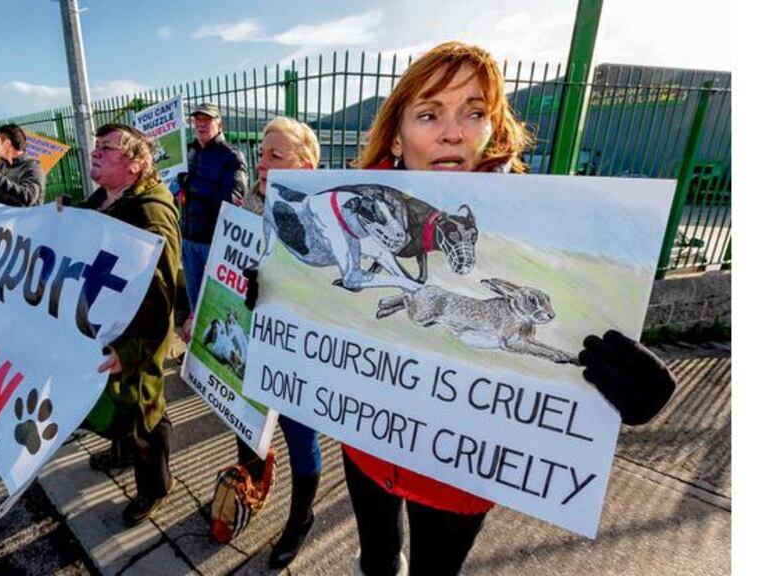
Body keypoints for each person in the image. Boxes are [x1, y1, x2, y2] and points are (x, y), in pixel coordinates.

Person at [245, 41, 677, 576]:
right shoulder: (358, 208)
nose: (454, 131)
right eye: (430, 114)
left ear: (491, 128)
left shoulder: (543, 223)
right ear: (397, 136)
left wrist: (628, 385)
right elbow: (324, 298)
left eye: (474, 112)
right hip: (366, 445)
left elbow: (570, 329)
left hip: (460, 478)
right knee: (377, 559)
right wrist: (273, 297)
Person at [76, 123, 183, 528]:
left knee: (146, 409)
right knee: (115, 398)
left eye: (107, 148)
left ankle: (155, 487)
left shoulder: (151, 213)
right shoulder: (103, 199)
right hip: (109, 325)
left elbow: (161, 295)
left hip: (139, 333)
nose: (95, 152)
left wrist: (133, 349)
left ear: (136, 165)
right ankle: (121, 452)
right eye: (96, 145)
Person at [231, 117, 323, 569]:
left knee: (299, 436)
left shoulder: (322, 215)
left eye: (274, 156)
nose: (261, 164)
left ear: (305, 165)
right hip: (252, 339)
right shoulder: (251, 202)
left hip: (298, 352)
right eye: (261, 154)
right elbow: (227, 267)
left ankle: (301, 519)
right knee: (246, 420)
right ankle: (245, 491)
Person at [178, 103, 248, 338]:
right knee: (194, 303)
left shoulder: (230, 155)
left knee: (215, 302)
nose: (201, 124)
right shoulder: (187, 152)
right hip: (187, 240)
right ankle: (193, 351)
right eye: (197, 120)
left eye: (207, 119)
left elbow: (233, 199)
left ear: (220, 123)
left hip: (213, 242)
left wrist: (192, 185)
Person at [0, 123, 46, 206]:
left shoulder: (32, 167)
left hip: (25, 218)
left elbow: (28, 197)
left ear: (7, 143)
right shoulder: (0, 165)